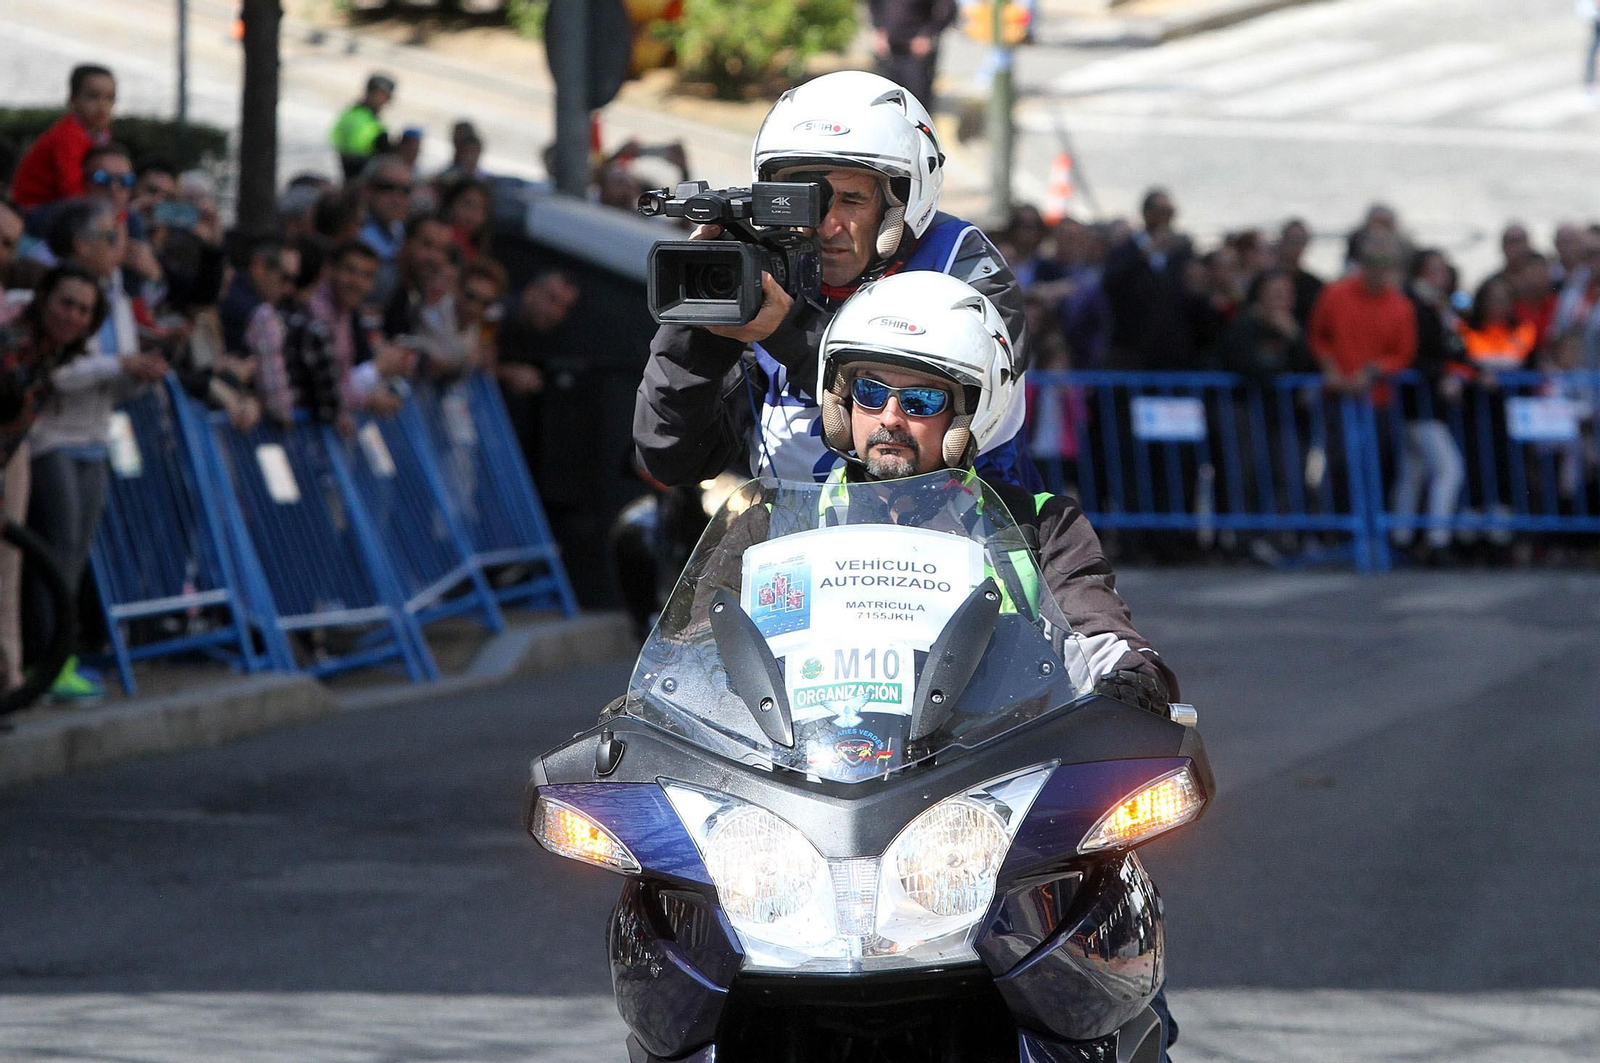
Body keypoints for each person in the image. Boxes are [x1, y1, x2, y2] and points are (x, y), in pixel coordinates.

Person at [635, 70, 1033, 491]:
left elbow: (914, 452)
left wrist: (790, 333)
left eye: (851, 200)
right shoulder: (765, 272)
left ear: (902, 203)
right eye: (801, 201)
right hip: (794, 547)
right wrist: (697, 326)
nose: (827, 226)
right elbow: (673, 458)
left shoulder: (965, 269)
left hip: (961, 535)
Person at [28, 199, 168, 698]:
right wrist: (119, 366)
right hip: (53, 442)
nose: (122, 247)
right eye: (111, 238)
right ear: (82, 245)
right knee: (56, 553)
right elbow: (57, 373)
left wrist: (141, 374)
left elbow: (117, 380)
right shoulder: (54, 297)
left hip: (96, 439)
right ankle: (44, 664)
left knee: (77, 554)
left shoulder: (114, 296)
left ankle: (60, 658)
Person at [0, 264, 107, 692]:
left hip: (11, 455)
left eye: (84, 310)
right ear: (44, 299)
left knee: (9, 573)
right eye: (66, 303)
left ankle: (10, 677)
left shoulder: (54, 351)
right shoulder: (14, 348)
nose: (73, 316)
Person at [10, 65, 115, 214]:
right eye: (93, 96)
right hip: (34, 209)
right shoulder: (66, 136)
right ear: (72, 99)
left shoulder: (100, 134)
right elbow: (72, 191)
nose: (103, 105)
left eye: (110, 98)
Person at [867, 0, 955, 111]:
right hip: (889, 53)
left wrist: (927, 35)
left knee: (916, 105)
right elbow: (874, 4)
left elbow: (948, 9)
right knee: (886, 105)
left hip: (916, 56)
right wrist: (879, 29)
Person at [331, 73, 396, 181]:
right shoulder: (366, 121)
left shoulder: (350, 112)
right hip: (358, 172)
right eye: (381, 94)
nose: (383, 100)